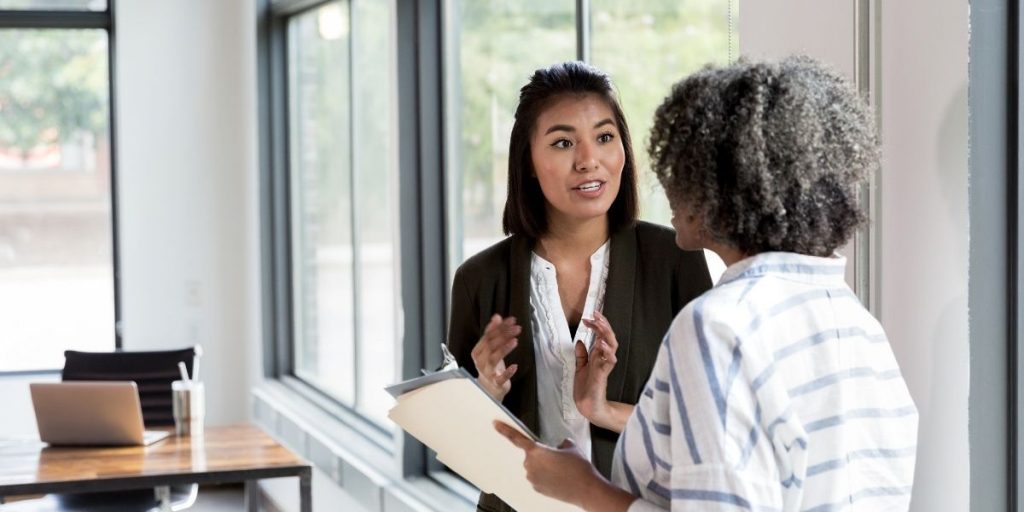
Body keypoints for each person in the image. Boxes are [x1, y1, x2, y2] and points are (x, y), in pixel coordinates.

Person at [495, 56, 919, 512]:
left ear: (725, 188)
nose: (667, 184)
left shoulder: (718, 327)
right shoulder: (857, 324)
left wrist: (585, 489)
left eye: (683, 167)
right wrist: (598, 410)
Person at [447, 61, 713, 512]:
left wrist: (603, 408)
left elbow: (704, 426)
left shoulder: (675, 258)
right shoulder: (479, 278)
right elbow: (459, 452)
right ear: (528, 161)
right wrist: (484, 397)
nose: (589, 159)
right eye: (563, 142)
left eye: (605, 137)